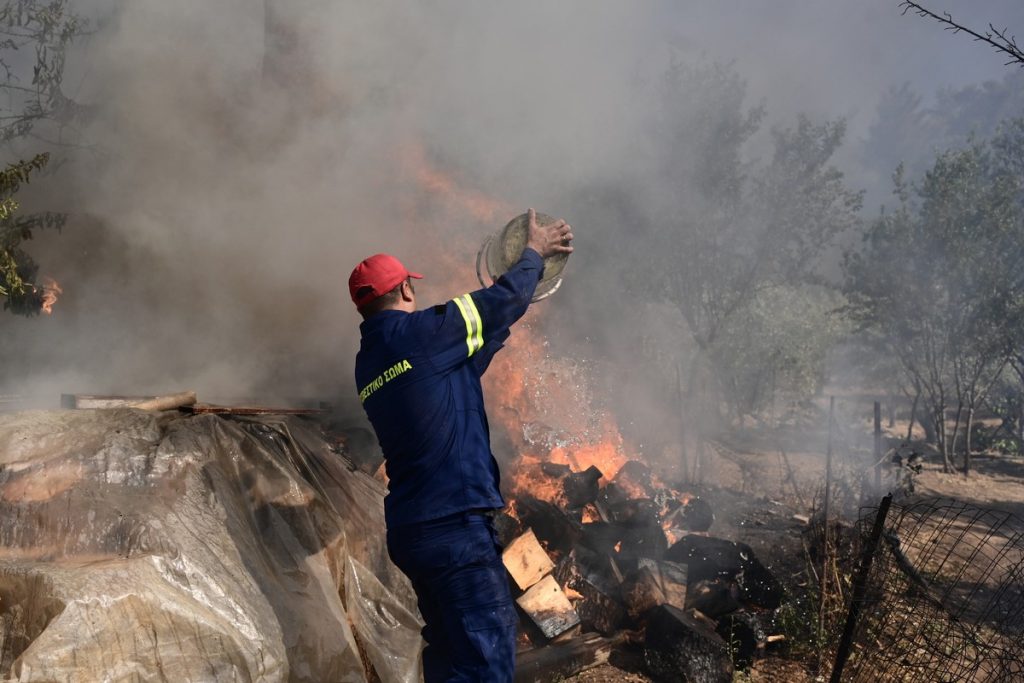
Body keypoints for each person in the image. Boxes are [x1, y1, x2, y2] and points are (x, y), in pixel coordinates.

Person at [349, 209, 573, 682]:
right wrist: (533, 254)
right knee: (486, 661)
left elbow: (461, 361)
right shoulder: (424, 333)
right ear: (405, 289)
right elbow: (501, 303)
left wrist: (499, 321)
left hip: (414, 531)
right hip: (454, 529)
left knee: (452, 657)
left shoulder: (369, 363)